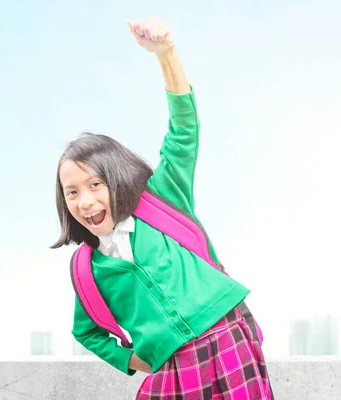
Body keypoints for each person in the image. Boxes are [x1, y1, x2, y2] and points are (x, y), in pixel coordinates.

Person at [51, 16, 273, 399]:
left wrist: (166, 54)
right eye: (71, 192)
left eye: (94, 184)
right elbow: (84, 331)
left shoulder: (162, 198)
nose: (85, 201)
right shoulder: (89, 269)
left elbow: (184, 129)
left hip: (226, 339)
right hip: (168, 366)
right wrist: (133, 361)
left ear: (116, 179)